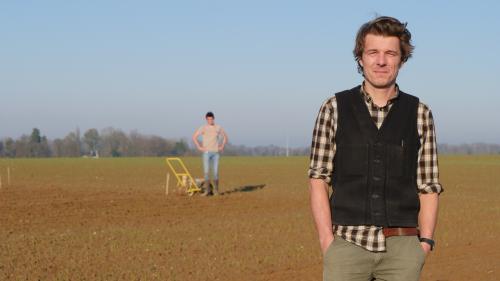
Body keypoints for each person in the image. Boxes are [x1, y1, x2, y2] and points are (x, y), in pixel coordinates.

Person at [308, 16, 443, 281]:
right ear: (360, 57)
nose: (381, 61)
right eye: (373, 52)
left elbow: (428, 186)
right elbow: (318, 179)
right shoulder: (333, 108)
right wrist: (328, 242)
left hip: (403, 249)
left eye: (390, 53)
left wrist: (424, 243)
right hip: (346, 246)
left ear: (402, 60)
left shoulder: (420, 113)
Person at [192, 111, 228, 196]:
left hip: (215, 153)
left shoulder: (218, 127)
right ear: (206, 119)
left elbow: (225, 137)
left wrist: (222, 146)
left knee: (215, 172)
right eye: (208, 119)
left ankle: (216, 191)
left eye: (211, 119)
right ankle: (207, 191)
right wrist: (199, 147)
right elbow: (194, 137)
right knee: (206, 172)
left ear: (213, 119)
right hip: (206, 153)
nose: (210, 121)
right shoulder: (203, 128)